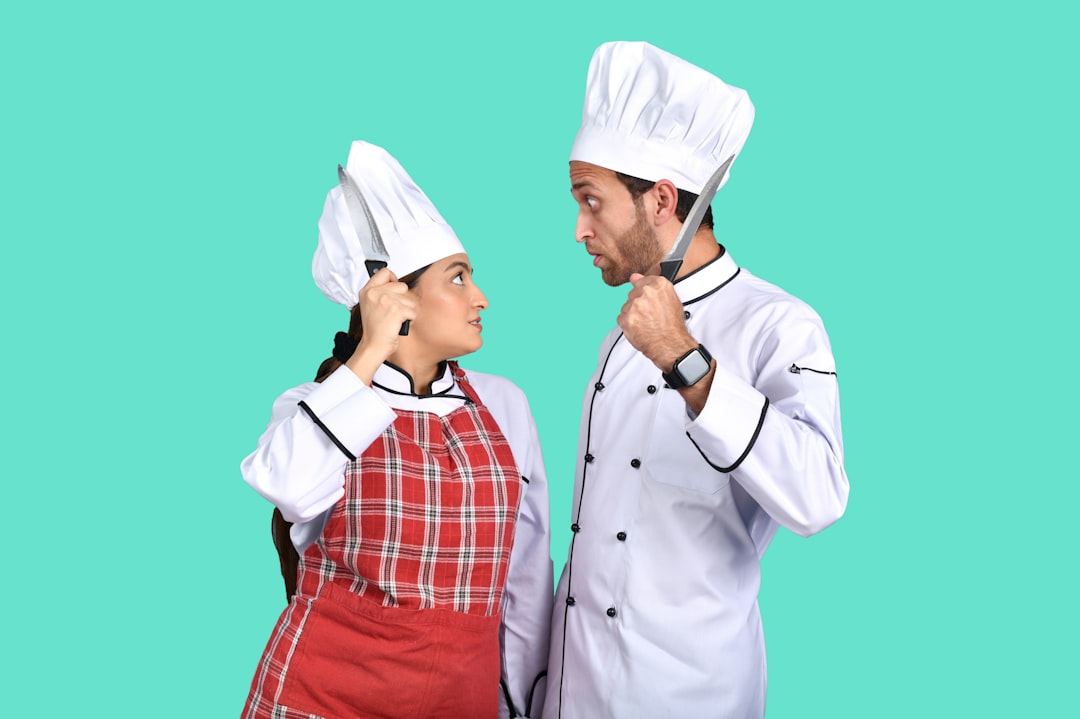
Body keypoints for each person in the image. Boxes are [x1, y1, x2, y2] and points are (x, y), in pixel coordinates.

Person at [545, 42, 850, 718]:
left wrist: (687, 361)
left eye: (592, 202)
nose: (578, 228)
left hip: (685, 694)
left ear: (659, 199)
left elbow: (819, 496)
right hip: (574, 687)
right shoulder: (621, 330)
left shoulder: (778, 324)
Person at [241, 141, 552, 719]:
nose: (480, 298)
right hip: (321, 700)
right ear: (394, 296)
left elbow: (526, 575)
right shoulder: (313, 405)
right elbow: (284, 484)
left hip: (465, 702)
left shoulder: (505, 406)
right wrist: (371, 351)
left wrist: (528, 701)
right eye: (457, 279)